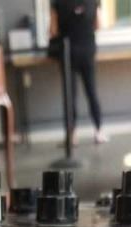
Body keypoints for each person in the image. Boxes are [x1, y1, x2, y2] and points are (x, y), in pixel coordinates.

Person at [50, 0, 107, 144]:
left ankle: (72, 135)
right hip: (87, 49)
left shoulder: (58, 2)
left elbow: (53, 30)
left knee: (70, 95)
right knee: (91, 91)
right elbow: (98, 25)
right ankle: (99, 131)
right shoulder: (93, 2)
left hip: (68, 51)